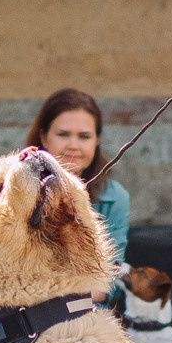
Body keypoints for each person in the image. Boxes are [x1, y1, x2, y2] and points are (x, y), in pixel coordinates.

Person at [27, 88, 130, 268]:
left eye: (84, 136)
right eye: (63, 134)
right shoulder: (16, 191)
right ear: (44, 137)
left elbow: (109, 277)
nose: (73, 146)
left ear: (97, 140)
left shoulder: (114, 198)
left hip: (86, 296)